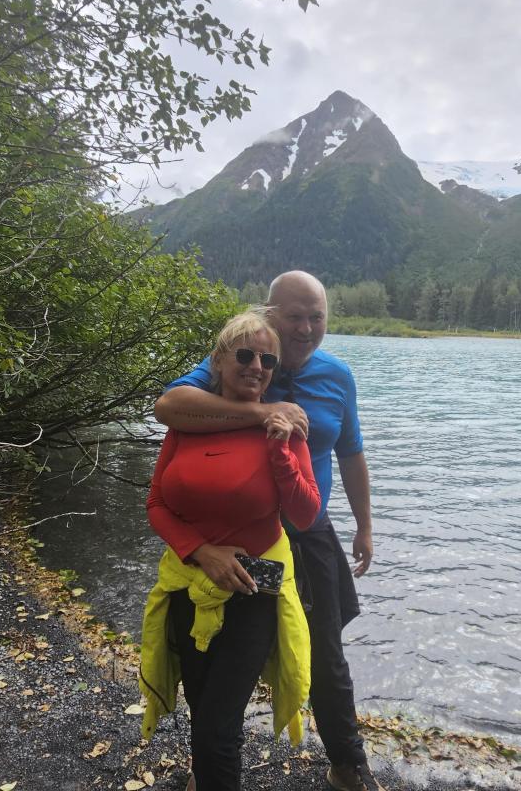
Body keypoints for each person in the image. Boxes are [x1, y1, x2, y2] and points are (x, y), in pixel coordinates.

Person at [155, 271, 384, 791]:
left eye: (316, 317)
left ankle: (347, 764)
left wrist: (365, 526)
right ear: (269, 315)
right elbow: (170, 407)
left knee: (324, 653)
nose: (305, 328)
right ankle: (210, 764)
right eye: (294, 317)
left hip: (308, 530)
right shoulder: (247, 361)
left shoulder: (337, 376)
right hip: (241, 537)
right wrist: (263, 410)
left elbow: (351, 453)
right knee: (220, 653)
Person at [138, 309, 321, 791]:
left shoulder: (285, 426)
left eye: (267, 360)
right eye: (244, 355)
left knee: (217, 727)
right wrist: (202, 551)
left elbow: (305, 514)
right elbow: (157, 504)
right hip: (188, 583)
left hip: (254, 590)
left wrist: (280, 452)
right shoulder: (189, 423)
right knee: (203, 711)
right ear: (218, 361)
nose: (256, 366)